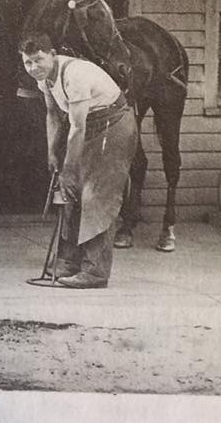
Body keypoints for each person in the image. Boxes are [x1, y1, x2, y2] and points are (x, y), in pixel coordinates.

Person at [20, 33, 137, 289]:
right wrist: (52, 153)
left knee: (96, 195)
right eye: (28, 62)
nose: (34, 67)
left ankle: (95, 271)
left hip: (113, 125)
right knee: (68, 193)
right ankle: (68, 261)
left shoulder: (74, 75)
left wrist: (69, 170)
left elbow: (77, 127)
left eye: (38, 60)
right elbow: (53, 114)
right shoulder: (44, 78)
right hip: (88, 128)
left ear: (52, 55)